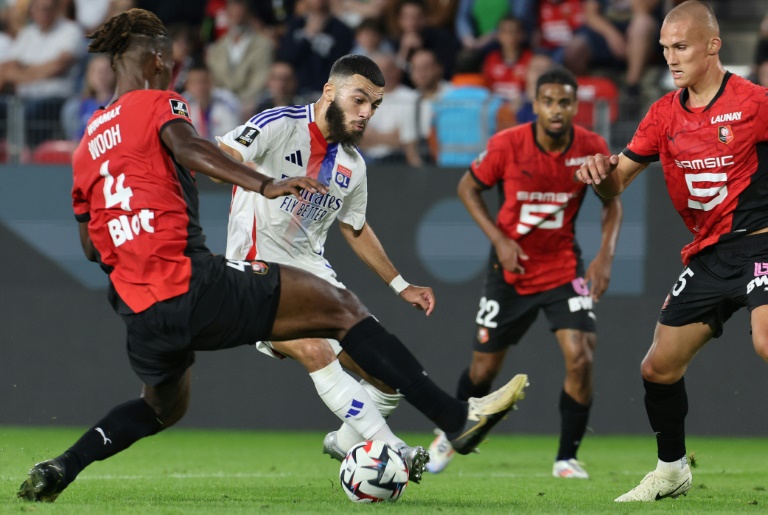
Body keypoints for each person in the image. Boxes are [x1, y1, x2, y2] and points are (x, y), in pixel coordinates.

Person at [17, 9, 528, 503]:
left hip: (141, 308)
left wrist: (136, 242)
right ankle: (447, 423)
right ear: (153, 58)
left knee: (161, 409)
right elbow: (196, 152)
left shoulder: (86, 145)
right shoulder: (161, 104)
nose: (173, 68)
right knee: (341, 317)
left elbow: (90, 245)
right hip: (200, 279)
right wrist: (266, 183)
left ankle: (62, 466)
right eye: (169, 59)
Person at [219, 51, 448, 482]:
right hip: (254, 271)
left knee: (387, 376)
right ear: (329, 91)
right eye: (359, 100)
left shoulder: (353, 165)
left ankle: (346, 442)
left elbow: (355, 228)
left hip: (313, 278)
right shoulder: (279, 123)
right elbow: (222, 154)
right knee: (315, 349)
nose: (366, 114)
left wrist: (401, 286)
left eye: (375, 106)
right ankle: (396, 451)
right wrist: (266, 183)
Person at [576, 0, 768, 502]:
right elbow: (616, 183)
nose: (671, 58)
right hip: (708, 256)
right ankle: (671, 470)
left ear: (713, 45)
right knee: (657, 368)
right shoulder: (663, 114)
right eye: (664, 49)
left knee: (767, 341)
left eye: (680, 47)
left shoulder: (754, 102)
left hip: (761, 242)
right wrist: (599, 174)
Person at [427, 66, 622, 478]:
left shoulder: (591, 147)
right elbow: (467, 187)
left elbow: (612, 200)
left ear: (575, 107)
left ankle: (566, 457)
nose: (556, 110)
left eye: (564, 102)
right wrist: (499, 238)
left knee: (581, 356)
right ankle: (449, 432)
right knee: (484, 370)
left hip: (562, 269)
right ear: (535, 106)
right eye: (548, 101)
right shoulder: (506, 145)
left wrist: (606, 254)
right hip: (511, 271)